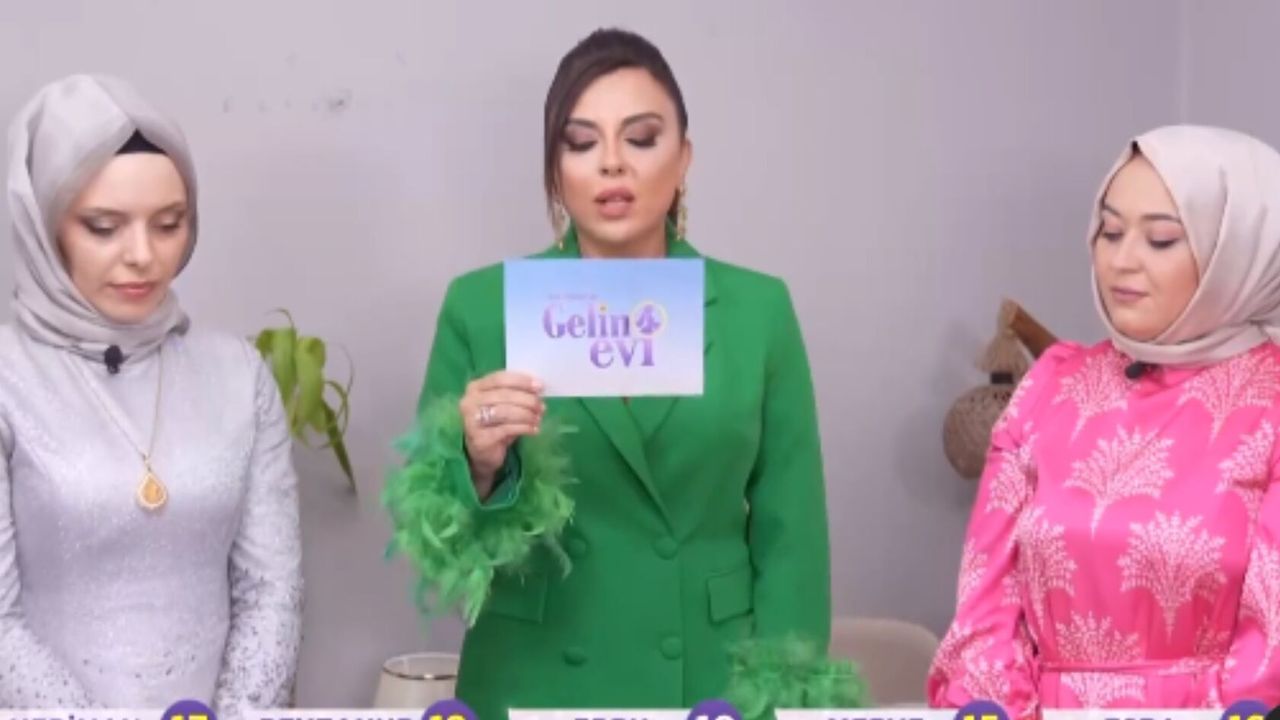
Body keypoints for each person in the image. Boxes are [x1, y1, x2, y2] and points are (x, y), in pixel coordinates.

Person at [384, 28, 861, 720]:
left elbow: (793, 540)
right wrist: (478, 465)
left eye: (640, 138)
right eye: (581, 143)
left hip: (710, 682)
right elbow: (435, 542)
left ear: (684, 158)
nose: (612, 163)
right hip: (535, 680)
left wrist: (789, 699)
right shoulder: (482, 308)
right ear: (554, 171)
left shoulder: (759, 312)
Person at [927, 125, 1280, 714]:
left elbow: (1273, 636)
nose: (1121, 259)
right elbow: (987, 604)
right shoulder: (1051, 387)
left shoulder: (1271, 400)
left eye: (1161, 239)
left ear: (1238, 252)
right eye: (1110, 232)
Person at [0, 74, 302, 712]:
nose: (143, 255)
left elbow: (271, 591)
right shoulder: (9, 375)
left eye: (168, 224)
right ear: (45, 227)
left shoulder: (237, 374)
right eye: (103, 227)